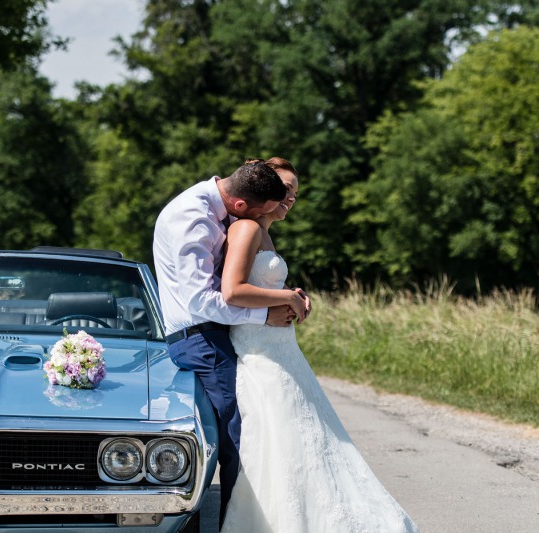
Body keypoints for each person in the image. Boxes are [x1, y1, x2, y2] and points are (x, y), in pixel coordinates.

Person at [220, 157, 419, 532]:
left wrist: (290, 294)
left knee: (308, 434)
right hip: (260, 350)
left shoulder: (263, 230)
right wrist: (286, 301)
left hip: (280, 345)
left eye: (294, 193)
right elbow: (233, 291)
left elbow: (261, 284)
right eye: (284, 191)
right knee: (280, 437)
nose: (290, 199)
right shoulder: (245, 228)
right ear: (263, 189)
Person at [152, 160, 306, 526]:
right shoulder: (195, 218)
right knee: (237, 440)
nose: (250, 224)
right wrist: (264, 316)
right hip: (200, 338)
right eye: (257, 213)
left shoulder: (220, 208)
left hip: (215, 334)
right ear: (240, 206)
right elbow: (199, 300)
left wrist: (280, 297)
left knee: (244, 433)